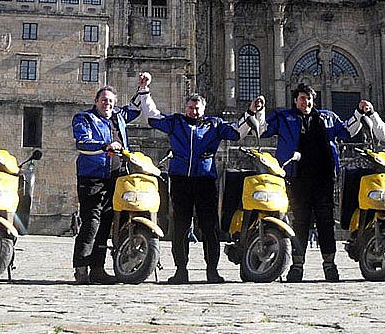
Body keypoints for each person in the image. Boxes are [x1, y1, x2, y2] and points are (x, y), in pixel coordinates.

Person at [250, 83, 385, 282]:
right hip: (296, 177)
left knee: (326, 223)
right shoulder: (284, 117)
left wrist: (359, 112)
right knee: (300, 222)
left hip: (323, 177)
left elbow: (348, 131)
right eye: (302, 98)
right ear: (295, 100)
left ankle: (330, 266)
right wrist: (259, 110)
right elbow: (262, 130)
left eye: (309, 99)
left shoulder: (327, 117)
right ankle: (296, 267)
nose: (306, 102)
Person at [136, 73, 255, 284]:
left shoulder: (214, 125)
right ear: (186, 108)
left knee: (209, 227)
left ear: (204, 109)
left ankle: (212, 270)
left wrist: (251, 113)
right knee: (180, 226)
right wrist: (145, 91)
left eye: (197, 107)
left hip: (205, 181)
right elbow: (153, 117)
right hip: (181, 180)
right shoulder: (176, 122)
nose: (194, 110)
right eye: (190, 107)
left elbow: (237, 133)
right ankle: (181, 270)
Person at [71, 79, 144, 284]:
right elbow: (82, 143)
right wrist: (105, 146)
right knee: (92, 221)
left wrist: (143, 88)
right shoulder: (84, 118)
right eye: (104, 100)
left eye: (111, 101)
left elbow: (135, 109)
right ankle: (81, 266)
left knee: (106, 222)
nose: (107, 104)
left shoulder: (118, 117)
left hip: (116, 177)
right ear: (96, 101)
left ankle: (98, 268)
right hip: (92, 176)